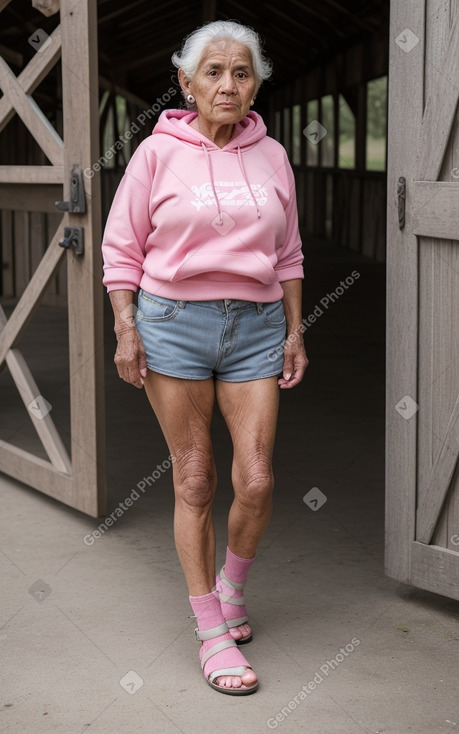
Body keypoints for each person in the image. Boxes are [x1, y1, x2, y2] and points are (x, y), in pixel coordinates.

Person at [101, 19, 308, 695]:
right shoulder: (157, 156)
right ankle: (211, 630)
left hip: (253, 327)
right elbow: (121, 250)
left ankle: (232, 589)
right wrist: (126, 328)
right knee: (194, 479)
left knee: (255, 479)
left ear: (256, 85)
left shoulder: (272, 155)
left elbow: (287, 256)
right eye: (213, 72)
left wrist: (294, 329)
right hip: (171, 325)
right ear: (185, 83)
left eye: (241, 72)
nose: (228, 84)